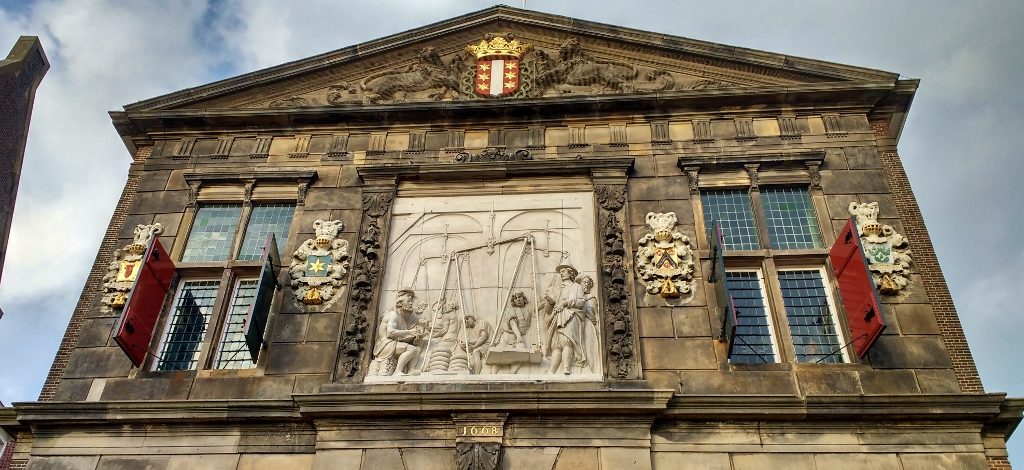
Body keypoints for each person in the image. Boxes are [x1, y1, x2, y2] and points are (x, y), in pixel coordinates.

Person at [544, 264, 588, 374]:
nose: (561, 273)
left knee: (567, 342)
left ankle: (566, 368)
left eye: (563, 271)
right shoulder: (557, 289)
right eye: (560, 272)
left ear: (570, 272)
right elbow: (549, 309)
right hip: (557, 317)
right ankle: (552, 370)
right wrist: (549, 302)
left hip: (571, 316)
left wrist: (566, 303)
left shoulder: (576, 287)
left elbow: (581, 302)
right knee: (557, 345)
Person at [370, 289, 423, 376]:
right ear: (400, 303)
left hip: (393, 343)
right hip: (385, 345)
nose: (411, 304)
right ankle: (397, 371)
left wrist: (414, 339)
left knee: (417, 348)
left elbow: (400, 337)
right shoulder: (393, 315)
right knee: (412, 349)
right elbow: (390, 333)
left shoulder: (402, 318)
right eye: (409, 301)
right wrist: (410, 332)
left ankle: (411, 369)